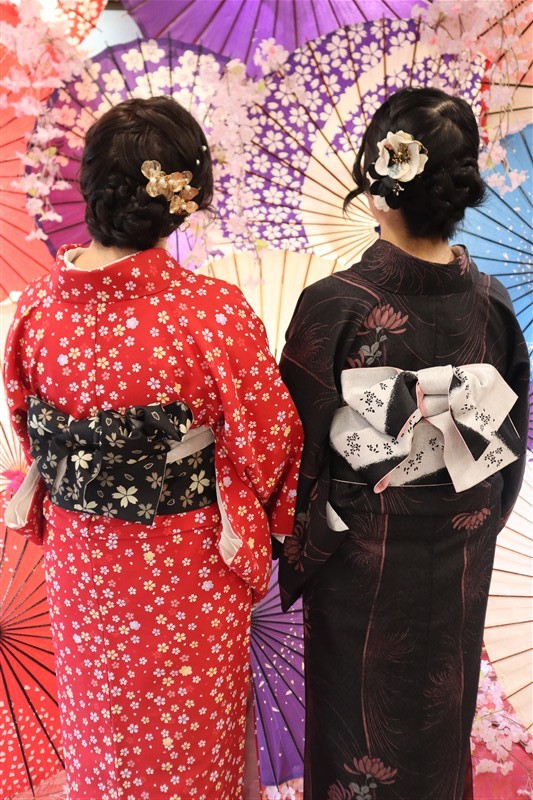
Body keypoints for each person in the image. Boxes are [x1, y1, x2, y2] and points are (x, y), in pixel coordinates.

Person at [3, 96, 303, 800]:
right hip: (185, 568)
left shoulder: (36, 312)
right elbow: (269, 442)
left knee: (103, 735)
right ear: (181, 200)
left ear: (90, 188)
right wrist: (252, 508)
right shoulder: (210, 313)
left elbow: (28, 429)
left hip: (83, 563)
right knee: (189, 744)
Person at [277, 87, 529, 800]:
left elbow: (295, 454)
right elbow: (506, 449)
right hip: (461, 541)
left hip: (361, 553)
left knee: (358, 729)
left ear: (377, 182)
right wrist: (471, 517)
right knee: (438, 714)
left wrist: (303, 543)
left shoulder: (336, 304)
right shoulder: (492, 302)